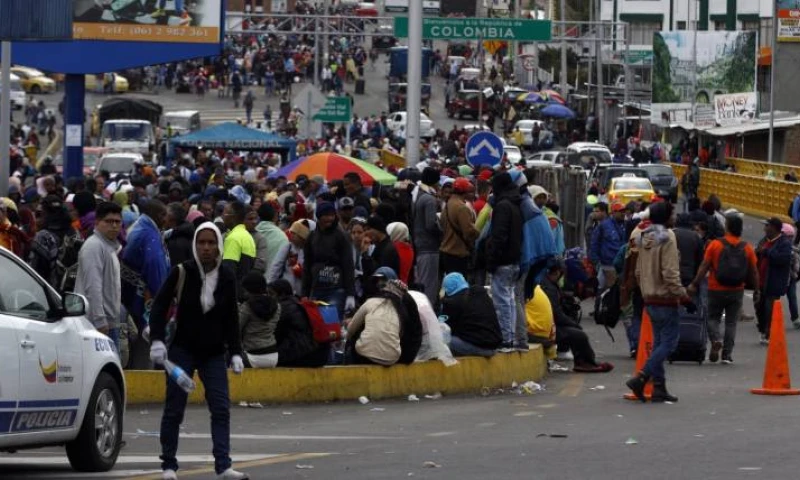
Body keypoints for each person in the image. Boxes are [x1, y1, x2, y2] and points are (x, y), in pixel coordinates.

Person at [148, 222, 247, 480]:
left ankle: (223, 466)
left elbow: (231, 317)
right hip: (182, 350)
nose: (206, 248)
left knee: (221, 408)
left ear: (219, 246)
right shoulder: (182, 272)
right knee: (174, 409)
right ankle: (169, 465)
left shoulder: (227, 276)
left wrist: (236, 352)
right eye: (201, 242)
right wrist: (157, 340)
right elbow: (159, 307)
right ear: (195, 245)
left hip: (213, 353)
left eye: (211, 243)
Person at [627, 202, 688, 403]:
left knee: (659, 344)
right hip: (665, 298)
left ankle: (659, 387)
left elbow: (638, 271)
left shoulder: (644, 235)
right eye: (672, 214)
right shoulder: (667, 236)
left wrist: (646, 288)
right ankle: (642, 376)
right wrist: (682, 295)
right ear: (666, 217)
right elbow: (670, 273)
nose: (675, 218)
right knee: (669, 343)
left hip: (649, 297)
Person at [688, 213, 758, 364]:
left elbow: (704, 266)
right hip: (737, 289)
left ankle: (715, 339)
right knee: (731, 323)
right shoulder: (747, 248)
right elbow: (754, 271)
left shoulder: (715, 244)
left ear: (727, 227)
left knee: (712, 317)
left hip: (716, 288)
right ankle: (727, 355)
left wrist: (695, 283)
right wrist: (757, 290)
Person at [540, 259, 613, 373]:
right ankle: (586, 363)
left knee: (575, 331)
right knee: (578, 334)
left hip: (547, 324)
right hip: (545, 327)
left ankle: (586, 361)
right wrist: (573, 324)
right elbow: (557, 315)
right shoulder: (548, 287)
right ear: (557, 272)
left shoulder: (548, 284)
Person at [121, 199, 170, 369]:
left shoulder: (138, 228)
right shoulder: (150, 236)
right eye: (163, 215)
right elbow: (155, 267)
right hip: (143, 301)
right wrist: (163, 296)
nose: (166, 219)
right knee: (145, 345)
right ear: (155, 215)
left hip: (129, 296)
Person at [344, 269, 422, 365]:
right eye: (378, 282)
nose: (379, 284)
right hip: (393, 358)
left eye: (383, 282)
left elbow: (350, 331)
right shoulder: (398, 306)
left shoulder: (404, 303)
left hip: (367, 356)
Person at [75, 202, 122, 344]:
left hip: (109, 322)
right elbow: (92, 286)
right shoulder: (94, 246)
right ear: (97, 222)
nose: (114, 226)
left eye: (117, 222)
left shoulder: (109, 246)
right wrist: (100, 321)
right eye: (108, 221)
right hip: (97, 325)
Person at [486, 172, 523, 352]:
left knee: (501, 302)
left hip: (503, 261)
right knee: (509, 300)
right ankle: (511, 337)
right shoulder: (515, 204)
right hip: (514, 260)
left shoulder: (502, 206)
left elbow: (499, 236)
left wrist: (492, 260)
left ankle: (506, 339)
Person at [303, 202, 356, 316]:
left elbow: (348, 265)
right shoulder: (312, 237)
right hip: (316, 289)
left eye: (332, 215)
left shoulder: (341, 236)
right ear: (319, 216)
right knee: (317, 323)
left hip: (335, 289)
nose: (330, 218)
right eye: (326, 215)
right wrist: (305, 293)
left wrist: (350, 294)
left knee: (330, 322)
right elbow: (307, 266)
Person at [269, 279, 330, 367]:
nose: (269, 298)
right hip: (321, 357)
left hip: (303, 357)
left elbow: (274, 336)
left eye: (271, 294)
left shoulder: (282, 308)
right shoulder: (301, 304)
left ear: (282, 294)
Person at [440, 272, 502, 357]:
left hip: (477, 347)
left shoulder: (452, 302)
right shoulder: (481, 294)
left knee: (439, 339)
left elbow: (443, 327)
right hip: (493, 347)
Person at [754, 217, 793, 344]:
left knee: (769, 309)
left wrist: (766, 252)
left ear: (774, 228)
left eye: (767, 226)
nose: (765, 228)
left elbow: (783, 259)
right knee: (759, 307)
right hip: (760, 281)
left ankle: (768, 333)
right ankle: (762, 329)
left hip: (773, 282)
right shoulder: (764, 240)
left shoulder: (784, 243)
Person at [28, 195, 80, 287]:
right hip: (73, 288)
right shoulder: (75, 232)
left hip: (50, 290)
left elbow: (34, 270)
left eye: (40, 213)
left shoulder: (43, 236)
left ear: (45, 213)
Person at [412, 167, 442, 306]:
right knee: (429, 285)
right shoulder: (429, 199)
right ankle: (427, 313)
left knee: (423, 282)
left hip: (421, 245)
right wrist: (442, 233)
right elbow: (431, 224)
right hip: (429, 247)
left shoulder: (419, 195)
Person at [239, 272, 280, 368]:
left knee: (226, 358)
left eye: (245, 289)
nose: (244, 293)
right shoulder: (277, 306)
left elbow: (236, 329)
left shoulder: (247, 306)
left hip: (252, 355)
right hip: (273, 356)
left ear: (250, 289)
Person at [440, 177, 479, 276]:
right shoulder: (462, 208)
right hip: (457, 253)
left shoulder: (448, 204)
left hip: (446, 251)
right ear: (465, 191)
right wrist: (478, 231)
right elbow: (469, 232)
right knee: (459, 283)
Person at [222, 200, 257, 288]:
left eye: (225, 214)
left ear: (233, 217)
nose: (223, 217)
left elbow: (228, 271)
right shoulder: (248, 236)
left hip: (234, 291)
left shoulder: (233, 238)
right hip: (245, 289)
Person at [361, 215, 400, 282]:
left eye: (368, 229)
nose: (366, 233)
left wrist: (365, 255)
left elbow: (379, 273)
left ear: (378, 230)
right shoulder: (379, 246)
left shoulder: (388, 249)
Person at [164, 203, 195, 267]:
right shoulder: (186, 233)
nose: (163, 218)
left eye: (164, 215)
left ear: (171, 218)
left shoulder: (175, 242)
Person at [244, 207, 268, 276]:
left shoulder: (260, 238)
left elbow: (260, 264)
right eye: (250, 219)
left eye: (255, 219)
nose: (254, 222)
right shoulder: (234, 234)